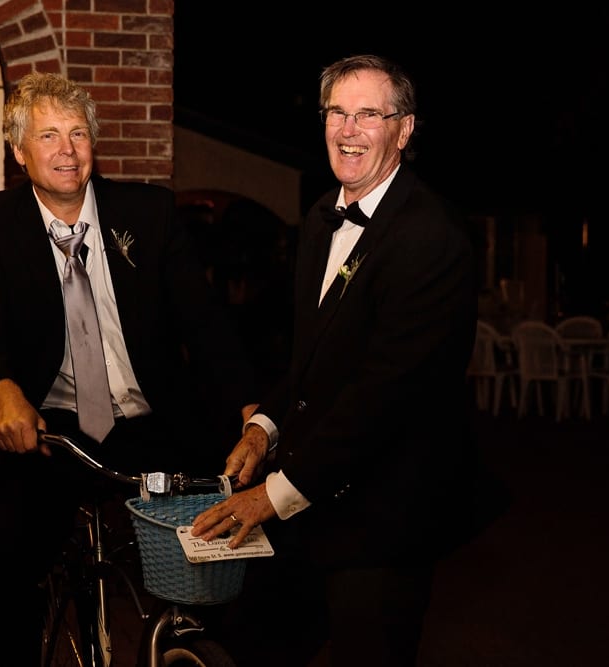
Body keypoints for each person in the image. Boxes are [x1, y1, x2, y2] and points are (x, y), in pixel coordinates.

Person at [0, 72, 257, 666]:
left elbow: (205, 323)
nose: (66, 149)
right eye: (48, 135)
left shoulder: (149, 211)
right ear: (19, 152)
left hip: (151, 425)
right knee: (2, 570)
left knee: (227, 551)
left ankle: (190, 650)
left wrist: (250, 410)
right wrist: (2, 390)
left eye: (77, 133)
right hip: (51, 433)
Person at [191, 54, 483, 666]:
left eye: (369, 114)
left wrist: (272, 495)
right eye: (337, 113)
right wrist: (263, 427)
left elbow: (385, 397)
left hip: (383, 521)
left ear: (404, 130)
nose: (348, 130)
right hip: (311, 504)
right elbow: (312, 357)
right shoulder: (323, 216)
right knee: (245, 645)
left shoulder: (432, 237)